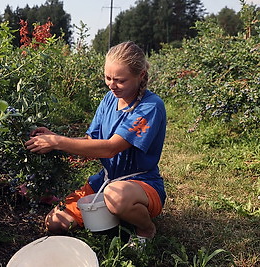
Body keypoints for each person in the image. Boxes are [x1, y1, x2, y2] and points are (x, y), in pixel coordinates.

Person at [25, 41, 167, 244]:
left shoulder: (150, 106)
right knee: (54, 223)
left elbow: (110, 148)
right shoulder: (109, 99)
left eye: (120, 80)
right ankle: (116, 214)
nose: (111, 85)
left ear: (141, 75)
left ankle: (145, 228)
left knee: (116, 196)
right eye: (108, 78)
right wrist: (55, 136)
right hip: (106, 181)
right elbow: (91, 142)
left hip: (141, 184)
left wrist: (57, 142)